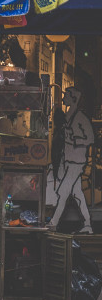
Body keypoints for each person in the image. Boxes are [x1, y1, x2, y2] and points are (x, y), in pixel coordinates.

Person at [50, 86, 94, 233]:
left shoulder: (80, 118)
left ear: (73, 98)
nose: (63, 98)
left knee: (63, 193)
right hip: (68, 160)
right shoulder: (69, 115)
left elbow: (90, 138)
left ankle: (53, 223)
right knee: (77, 194)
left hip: (76, 162)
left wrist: (75, 140)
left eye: (66, 96)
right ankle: (87, 224)